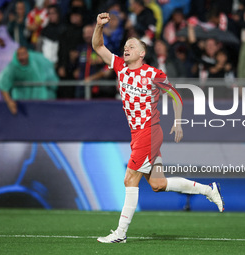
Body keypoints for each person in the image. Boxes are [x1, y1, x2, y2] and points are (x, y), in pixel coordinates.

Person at [92, 12, 224, 244]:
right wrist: (98, 26)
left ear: (142, 53)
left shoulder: (153, 74)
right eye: (125, 46)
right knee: (157, 184)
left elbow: (176, 96)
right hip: (137, 133)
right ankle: (208, 190)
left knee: (130, 179)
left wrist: (179, 121)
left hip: (149, 131)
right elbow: (98, 45)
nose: (126, 48)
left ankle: (120, 233)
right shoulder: (120, 67)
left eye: (131, 46)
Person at [0, 46, 58, 114]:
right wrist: (9, 102)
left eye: (24, 54)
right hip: (21, 104)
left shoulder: (38, 61)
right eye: (19, 55)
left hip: (41, 102)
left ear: (28, 54)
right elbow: (3, 83)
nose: (22, 57)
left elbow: (52, 78)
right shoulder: (12, 67)